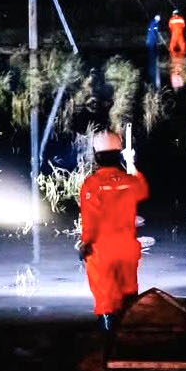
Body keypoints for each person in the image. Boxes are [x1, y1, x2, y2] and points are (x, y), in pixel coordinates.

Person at [76, 130, 149, 330]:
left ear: (96, 155)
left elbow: (90, 222)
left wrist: (85, 245)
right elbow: (143, 191)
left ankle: (108, 343)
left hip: (102, 251)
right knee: (129, 296)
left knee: (106, 303)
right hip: (127, 248)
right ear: (119, 155)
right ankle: (129, 339)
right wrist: (131, 164)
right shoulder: (130, 182)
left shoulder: (92, 185)